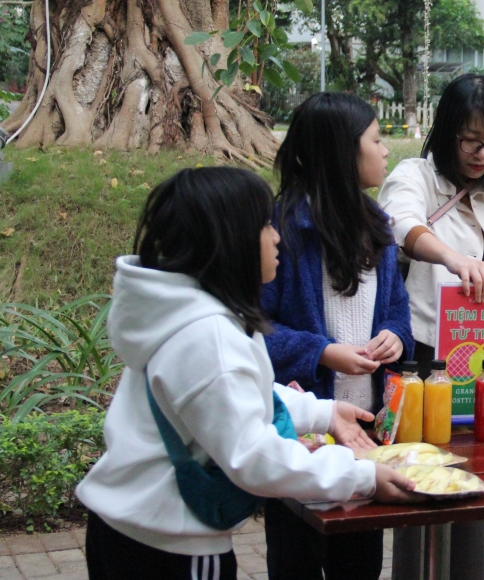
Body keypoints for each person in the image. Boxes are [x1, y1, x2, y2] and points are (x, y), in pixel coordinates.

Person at [77, 166, 417, 580]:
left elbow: (242, 391)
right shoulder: (208, 337)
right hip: (170, 545)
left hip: (135, 530)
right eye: (266, 227)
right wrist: (360, 476)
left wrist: (322, 413)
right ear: (231, 241)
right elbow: (254, 457)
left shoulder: (192, 314)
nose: (277, 238)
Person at [378, 73, 484, 580]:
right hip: (426, 363)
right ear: (447, 133)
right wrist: (453, 259)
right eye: (471, 140)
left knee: (476, 483)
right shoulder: (416, 176)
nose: (482, 154)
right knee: (421, 483)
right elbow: (399, 224)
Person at [260, 93, 415, 580]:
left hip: (365, 432)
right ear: (342, 152)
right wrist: (322, 352)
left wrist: (394, 336)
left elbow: (396, 309)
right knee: (296, 561)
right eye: (375, 138)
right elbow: (253, 330)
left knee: (360, 565)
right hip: (302, 436)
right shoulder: (282, 228)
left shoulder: (380, 227)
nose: (386, 149)